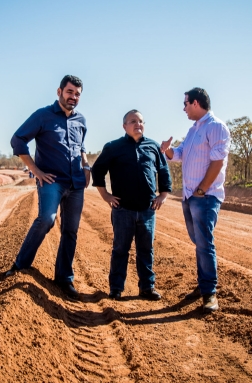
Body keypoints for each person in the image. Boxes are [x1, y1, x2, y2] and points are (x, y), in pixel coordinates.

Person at [6, 75, 91, 301]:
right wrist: (35, 170)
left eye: (77, 94)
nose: (73, 97)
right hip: (52, 182)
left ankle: (64, 279)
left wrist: (86, 165)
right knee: (47, 219)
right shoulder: (43, 115)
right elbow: (18, 140)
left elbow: (82, 146)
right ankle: (20, 265)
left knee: (70, 231)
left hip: (76, 184)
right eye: (70, 92)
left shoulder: (81, 120)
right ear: (59, 91)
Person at [160, 87, 230, 313]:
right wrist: (169, 151)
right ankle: (203, 286)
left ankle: (210, 293)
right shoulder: (193, 130)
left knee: (205, 242)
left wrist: (202, 189)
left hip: (205, 197)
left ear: (197, 103)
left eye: (186, 103)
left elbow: (218, 162)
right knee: (199, 242)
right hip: (190, 197)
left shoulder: (216, 127)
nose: (184, 108)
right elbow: (180, 155)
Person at [92, 110, 172, 301]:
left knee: (146, 249)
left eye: (141, 121)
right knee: (120, 249)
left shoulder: (152, 146)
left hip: (147, 209)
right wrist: (105, 195)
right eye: (133, 121)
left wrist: (163, 195)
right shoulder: (113, 147)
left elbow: (163, 171)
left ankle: (147, 287)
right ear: (124, 126)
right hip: (123, 209)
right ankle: (116, 288)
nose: (138, 124)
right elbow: (97, 170)